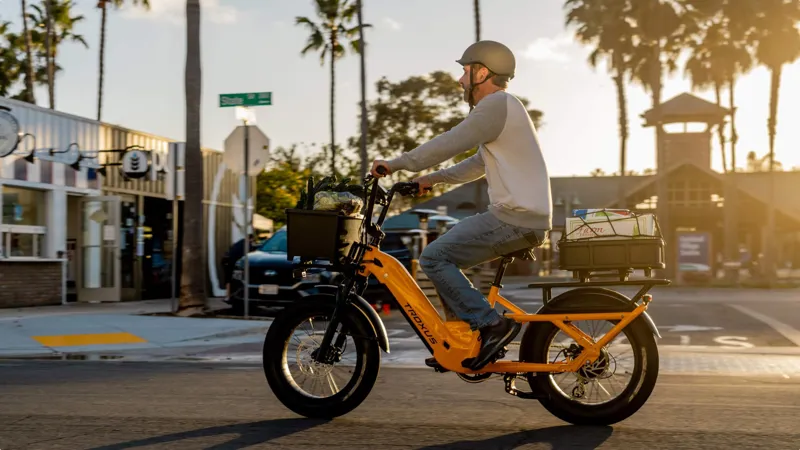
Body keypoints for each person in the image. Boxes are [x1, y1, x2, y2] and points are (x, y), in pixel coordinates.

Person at [370, 40, 553, 371]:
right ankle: (457, 340)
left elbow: (450, 141)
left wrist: (397, 163)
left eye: (464, 72)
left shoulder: (496, 105)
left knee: (434, 257)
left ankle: (492, 325)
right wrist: (432, 180)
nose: (459, 81)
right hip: (521, 216)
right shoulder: (506, 110)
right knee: (444, 255)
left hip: (515, 217)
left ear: (481, 73)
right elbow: (476, 164)